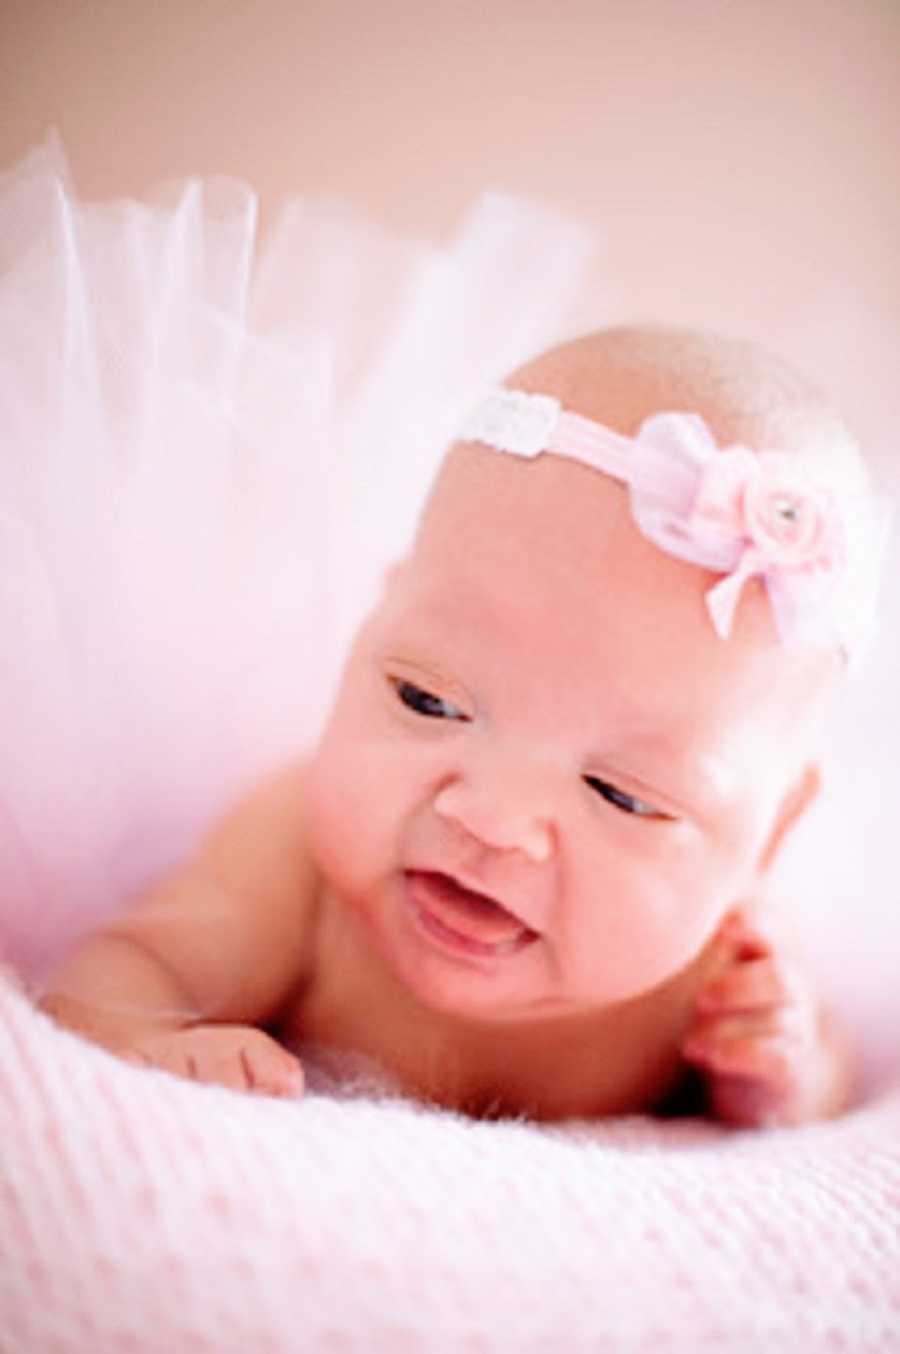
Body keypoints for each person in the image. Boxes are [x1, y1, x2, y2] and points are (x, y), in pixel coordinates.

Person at [39, 324, 886, 1126]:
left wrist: (781, 1070)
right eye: (427, 701)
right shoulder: (295, 859)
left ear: (766, 839)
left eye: (620, 795)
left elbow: (819, 1086)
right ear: (373, 625)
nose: (493, 821)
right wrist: (144, 1048)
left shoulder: (720, 971)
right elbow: (124, 972)